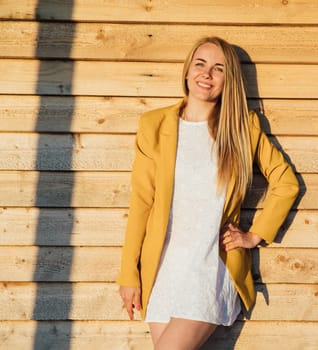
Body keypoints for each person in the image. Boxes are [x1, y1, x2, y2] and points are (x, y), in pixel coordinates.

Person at [116, 36, 299, 349]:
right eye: (200, 64)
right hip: (163, 268)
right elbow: (142, 202)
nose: (207, 73)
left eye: (219, 69)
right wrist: (128, 275)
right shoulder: (154, 125)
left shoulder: (242, 127)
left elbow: (285, 181)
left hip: (210, 267)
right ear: (187, 71)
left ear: (228, 81)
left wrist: (255, 235)